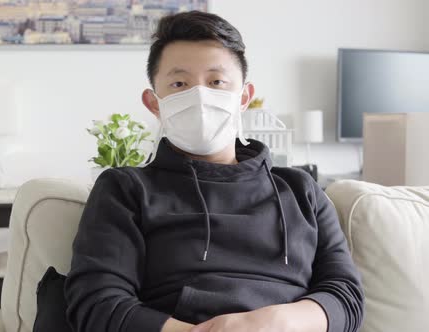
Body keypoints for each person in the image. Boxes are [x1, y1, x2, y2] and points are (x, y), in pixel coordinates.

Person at [64, 11, 364, 332]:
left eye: (217, 82)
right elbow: (97, 301)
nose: (200, 96)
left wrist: (271, 323)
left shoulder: (301, 190)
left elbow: (345, 297)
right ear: (154, 103)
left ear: (244, 98)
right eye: (180, 83)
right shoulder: (125, 189)